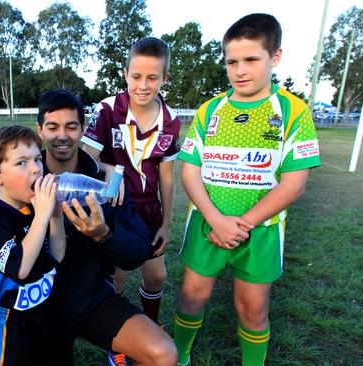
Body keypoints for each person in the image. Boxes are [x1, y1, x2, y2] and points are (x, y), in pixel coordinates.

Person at [173, 14, 321, 366]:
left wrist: (240, 224)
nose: (240, 70)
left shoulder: (293, 112)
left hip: (262, 231)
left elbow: (294, 185)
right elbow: (190, 173)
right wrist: (216, 220)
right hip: (207, 224)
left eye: (251, 59)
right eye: (232, 61)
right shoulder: (211, 110)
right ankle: (179, 358)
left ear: (276, 57)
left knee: (252, 309)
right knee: (191, 297)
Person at [37, 88, 178, 366]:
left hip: (91, 299)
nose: (62, 135)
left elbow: (138, 250)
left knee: (163, 354)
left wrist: (104, 236)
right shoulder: (25, 175)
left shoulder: (106, 182)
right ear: (40, 130)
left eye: (71, 126)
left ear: (82, 130)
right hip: (36, 303)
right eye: (53, 127)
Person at [82, 37, 180, 330]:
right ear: (125, 74)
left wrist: (166, 223)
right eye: (136, 76)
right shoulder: (109, 109)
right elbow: (86, 158)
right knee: (118, 274)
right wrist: (109, 168)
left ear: (165, 78)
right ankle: (116, 336)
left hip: (150, 210)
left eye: (152, 77)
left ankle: (150, 327)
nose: (143, 85)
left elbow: (166, 176)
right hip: (116, 207)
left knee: (156, 275)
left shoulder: (171, 120)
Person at [0, 125, 66, 365]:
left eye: (38, 159)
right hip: (8, 324)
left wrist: (55, 216)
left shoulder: (35, 209)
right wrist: (42, 217)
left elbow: (57, 255)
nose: (36, 169)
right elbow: (19, 268)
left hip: (43, 315)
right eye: (22, 162)